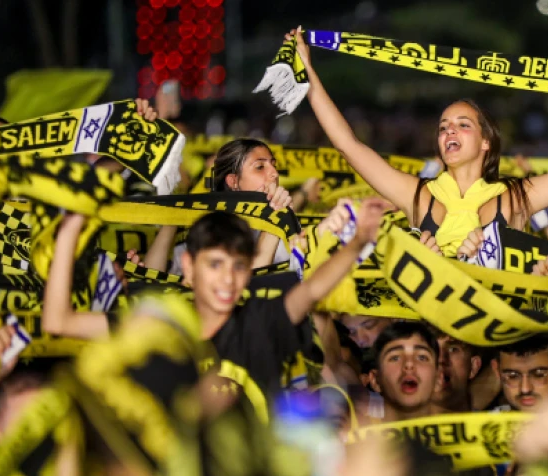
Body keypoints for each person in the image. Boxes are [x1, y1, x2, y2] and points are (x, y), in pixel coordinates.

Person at [286, 27, 548, 257]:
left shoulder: (516, 197)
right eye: (443, 127)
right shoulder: (418, 195)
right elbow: (349, 146)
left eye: (462, 125)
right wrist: (305, 69)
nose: (449, 133)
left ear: (485, 144)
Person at [43, 199, 388, 420]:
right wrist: (71, 229)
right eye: (216, 264)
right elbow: (58, 321)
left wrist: (357, 243)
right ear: (189, 266)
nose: (228, 279)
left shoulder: (259, 321)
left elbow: (311, 290)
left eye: (238, 266)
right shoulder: (156, 324)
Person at [144, 137, 295, 273]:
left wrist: (279, 219)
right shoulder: (205, 227)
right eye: (260, 167)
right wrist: (173, 217)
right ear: (233, 181)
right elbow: (151, 277)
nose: (274, 173)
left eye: (274, 165)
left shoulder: (280, 220)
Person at [367, 322, 442, 422]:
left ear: (438, 379)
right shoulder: (353, 435)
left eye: (422, 357)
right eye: (395, 358)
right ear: (375, 380)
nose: (409, 363)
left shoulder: (468, 432)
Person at [491, 336, 548, 413]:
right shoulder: (486, 422)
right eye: (512, 376)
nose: (525, 389)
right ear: (497, 370)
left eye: (539, 375)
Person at [429, 328, 482, 414]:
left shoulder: (500, 426)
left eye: (453, 349)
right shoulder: (399, 426)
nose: (441, 359)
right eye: (432, 349)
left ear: (473, 366)